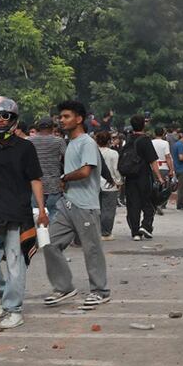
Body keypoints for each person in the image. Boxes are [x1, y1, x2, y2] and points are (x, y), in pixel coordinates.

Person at [0, 97, 48, 330]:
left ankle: (14, 309)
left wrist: (42, 210)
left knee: (16, 264)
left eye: (5, 116)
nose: (0, 120)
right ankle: (4, 293)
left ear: (13, 118)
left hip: (18, 213)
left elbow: (35, 179)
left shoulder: (26, 147)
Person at [42, 100, 111, 310]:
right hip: (67, 203)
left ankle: (100, 291)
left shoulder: (86, 142)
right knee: (49, 243)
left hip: (86, 205)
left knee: (92, 249)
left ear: (79, 119)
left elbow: (85, 171)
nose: (61, 120)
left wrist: (64, 177)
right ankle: (64, 287)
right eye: (60, 117)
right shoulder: (70, 142)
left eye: (66, 116)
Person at [119, 115, 163, 241]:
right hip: (143, 176)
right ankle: (145, 225)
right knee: (148, 202)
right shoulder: (145, 140)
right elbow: (153, 161)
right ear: (143, 125)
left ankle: (135, 232)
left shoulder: (128, 139)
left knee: (133, 205)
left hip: (130, 177)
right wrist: (159, 177)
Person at [27, 119, 65, 217]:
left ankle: (40, 227)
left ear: (38, 128)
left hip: (35, 183)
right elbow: (67, 158)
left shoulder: (29, 141)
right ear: (52, 128)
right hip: (54, 184)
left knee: (36, 213)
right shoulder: (59, 141)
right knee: (54, 213)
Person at [96, 130, 121, 240]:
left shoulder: (94, 152)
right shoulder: (113, 153)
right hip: (110, 184)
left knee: (97, 209)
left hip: (95, 183)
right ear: (109, 141)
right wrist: (119, 181)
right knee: (109, 210)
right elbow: (116, 169)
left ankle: (96, 230)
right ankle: (106, 232)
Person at [151, 127, 174, 212]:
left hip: (153, 166)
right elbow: (167, 156)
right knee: (163, 186)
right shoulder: (165, 143)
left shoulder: (151, 142)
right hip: (164, 166)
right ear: (163, 134)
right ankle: (160, 203)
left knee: (154, 185)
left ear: (154, 133)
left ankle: (153, 202)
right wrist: (171, 169)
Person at [172, 131, 183, 210]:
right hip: (182, 169)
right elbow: (181, 157)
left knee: (182, 187)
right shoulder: (181, 145)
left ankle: (180, 203)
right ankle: (180, 204)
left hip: (177, 167)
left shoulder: (175, 144)